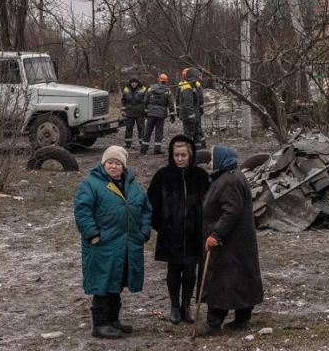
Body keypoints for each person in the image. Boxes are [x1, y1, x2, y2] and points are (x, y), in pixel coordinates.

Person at [73, 145, 152, 339]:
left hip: (127, 244)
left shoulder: (133, 185)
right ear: (103, 163)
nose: (113, 166)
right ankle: (100, 325)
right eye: (110, 162)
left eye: (117, 163)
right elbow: (82, 210)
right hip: (102, 244)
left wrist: (143, 231)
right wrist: (92, 234)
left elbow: (146, 209)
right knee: (103, 282)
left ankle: (113, 319)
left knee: (117, 283)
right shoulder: (91, 184)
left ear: (123, 166)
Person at [197, 145, 264, 336]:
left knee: (221, 280)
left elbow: (231, 211)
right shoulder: (232, 176)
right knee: (242, 278)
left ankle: (213, 323)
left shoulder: (229, 180)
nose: (210, 162)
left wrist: (216, 235)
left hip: (228, 243)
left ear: (221, 159)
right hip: (238, 242)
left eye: (212, 158)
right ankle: (242, 318)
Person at [146, 134, 211, 324]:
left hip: (194, 233)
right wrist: (160, 224)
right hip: (171, 234)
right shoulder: (162, 176)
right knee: (173, 271)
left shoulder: (200, 176)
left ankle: (186, 305)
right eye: (177, 155)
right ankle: (174, 306)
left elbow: (209, 202)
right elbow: (151, 203)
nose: (180, 159)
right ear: (172, 155)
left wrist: (203, 224)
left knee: (190, 271)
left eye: (183, 155)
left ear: (190, 155)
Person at [143, 73, 174, 155]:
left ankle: (143, 149)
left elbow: (145, 101)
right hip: (161, 114)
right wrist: (172, 114)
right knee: (159, 132)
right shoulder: (167, 91)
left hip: (151, 114)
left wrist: (146, 111)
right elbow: (171, 103)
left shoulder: (150, 89)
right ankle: (157, 149)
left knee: (147, 131)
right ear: (166, 81)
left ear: (158, 79)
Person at [177, 68, 202, 150]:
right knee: (189, 134)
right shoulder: (187, 87)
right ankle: (188, 150)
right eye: (198, 76)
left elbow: (197, 102)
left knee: (196, 133)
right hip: (189, 116)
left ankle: (197, 151)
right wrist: (192, 117)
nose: (200, 78)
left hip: (193, 114)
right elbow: (188, 105)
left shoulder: (193, 85)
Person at [121, 77, 147, 151]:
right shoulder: (126, 90)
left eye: (135, 82)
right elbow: (123, 100)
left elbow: (146, 101)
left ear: (138, 83)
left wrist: (146, 111)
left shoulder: (143, 89)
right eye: (132, 82)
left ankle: (142, 143)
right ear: (130, 83)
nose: (134, 84)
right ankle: (128, 143)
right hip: (129, 113)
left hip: (140, 113)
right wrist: (123, 110)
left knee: (141, 128)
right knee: (128, 128)